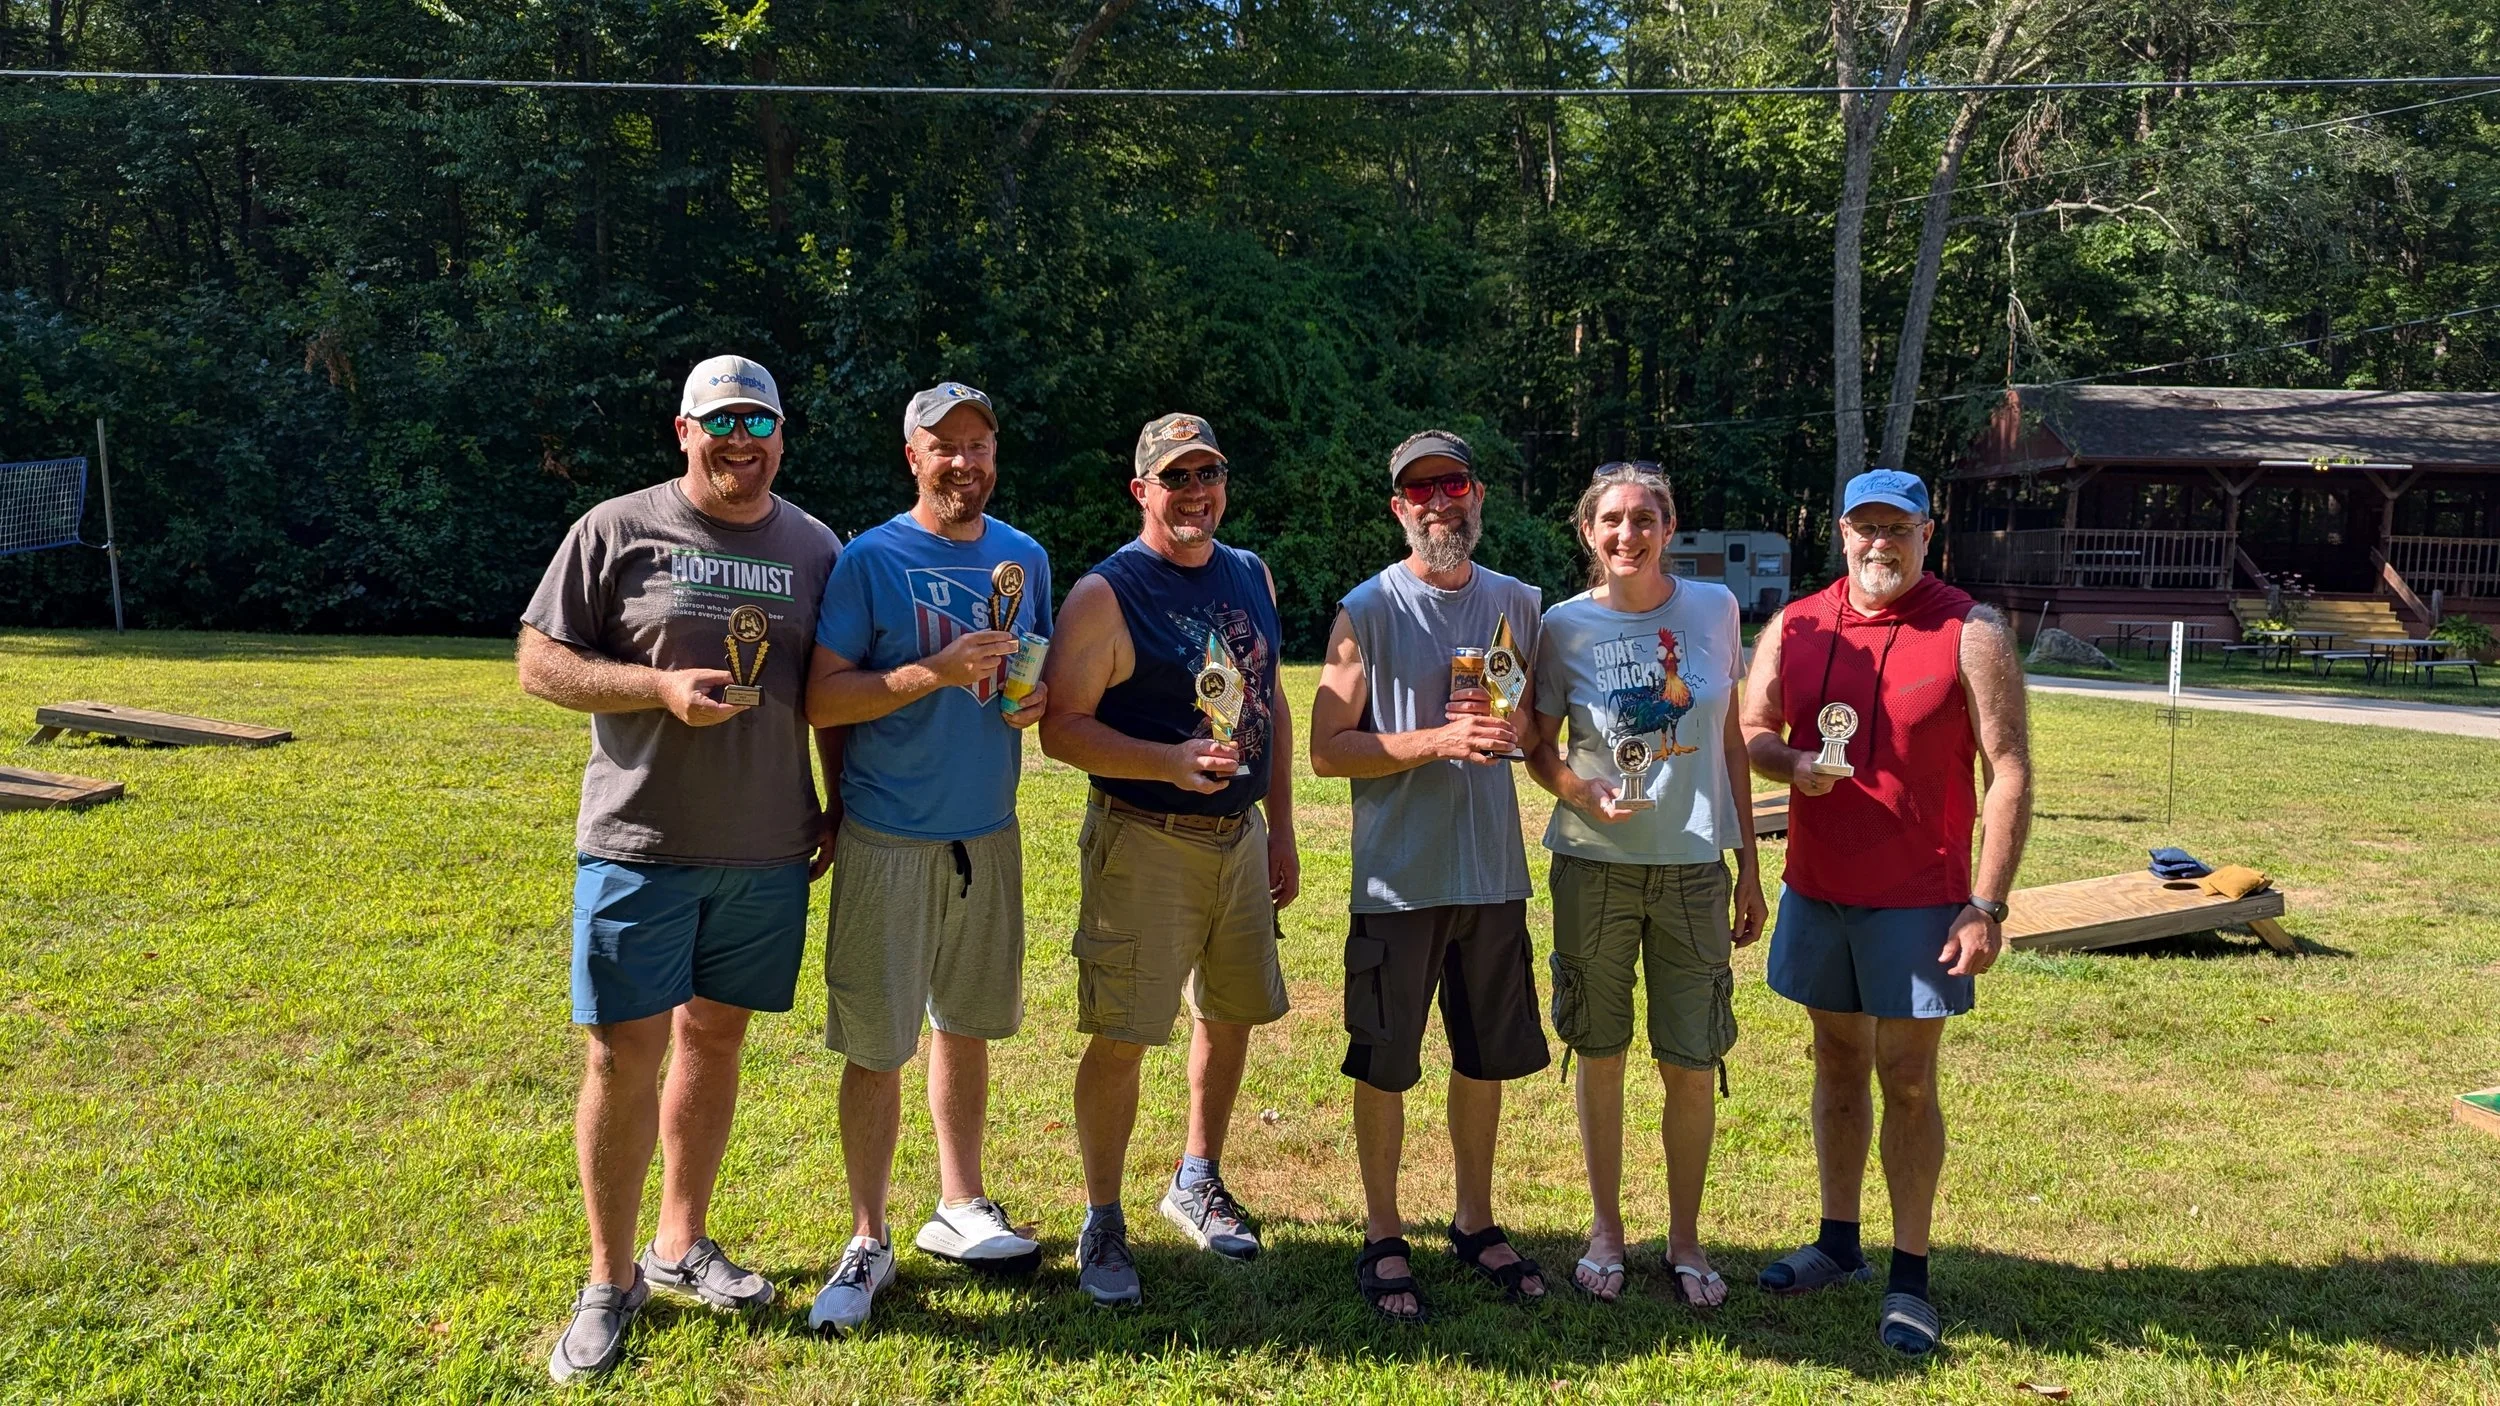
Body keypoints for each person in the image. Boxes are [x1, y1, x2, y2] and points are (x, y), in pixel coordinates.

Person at [517, 355, 842, 1384]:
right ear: (683, 429)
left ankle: (679, 1243)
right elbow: (540, 661)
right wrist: (653, 684)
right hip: (639, 845)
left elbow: (828, 688)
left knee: (717, 1038)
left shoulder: (816, 546)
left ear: (782, 433)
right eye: (721, 420)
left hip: (764, 848)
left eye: (760, 419)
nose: (741, 438)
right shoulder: (617, 528)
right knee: (622, 1056)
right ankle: (608, 1279)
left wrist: (835, 801)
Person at [1738, 467, 2032, 1357]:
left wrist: (1986, 902)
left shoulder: (1970, 629)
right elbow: (1751, 731)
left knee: (1906, 1078)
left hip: (1923, 898)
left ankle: (1911, 1274)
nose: (1880, 544)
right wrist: (1792, 767)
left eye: (1897, 529)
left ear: (1926, 535)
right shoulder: (1798, 623)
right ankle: (1838, 1242)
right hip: (1819, 889)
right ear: (1841, 531)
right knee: (1834, 1060)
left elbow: (2008, 768)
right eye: (1866, 527)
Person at [799, 381, 1054, 1332]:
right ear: (913, 456)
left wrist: (1031, 701)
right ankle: (868, 1238)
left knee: (968, 1026)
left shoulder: (1023, 556)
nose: (965, 461)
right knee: (877, 1047)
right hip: (888, 837)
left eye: (980, 444)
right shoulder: (870, 558)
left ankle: (960, 1204)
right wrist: (933, 673)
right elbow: (824, 700)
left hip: (986, 831)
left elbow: (1034, 674)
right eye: (945, 446)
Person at [1037, 412, 1298, 1307]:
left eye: (1207, 475)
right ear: (1141, 489)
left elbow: (1274, 704)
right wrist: (1164, 762)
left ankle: (1197, 1176)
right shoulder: (1107, 594)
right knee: (1123, 1034)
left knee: (1229, 1015)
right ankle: (1102, 1218)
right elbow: (1062, 731)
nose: (1194, 494)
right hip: (1145, 841)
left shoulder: (1250, 571)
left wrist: (1284, 826)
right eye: (1175, 478)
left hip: (1239, 840)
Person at [1308, 430, 1552, 1323]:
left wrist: (1514, 735)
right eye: (1420, 491)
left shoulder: (1521, 604)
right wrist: (1434, 742)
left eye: (1452, 484)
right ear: (1398, 510)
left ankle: (1474, 1218)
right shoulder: (1365, 609)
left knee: (1483, 1058)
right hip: (1398, 882)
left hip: (1493, 875)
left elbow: (1532, 730)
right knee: (1386, 1062)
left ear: (1477, 495)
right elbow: (1326, 752)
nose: (1438, 502)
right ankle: (1382, 1230)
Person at [1523, 461, 1767, 1310]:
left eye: (1645, 519)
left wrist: (1750, 865)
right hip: (1592, 868)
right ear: (1588, 533)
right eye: (1612, 521)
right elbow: (1537, 745)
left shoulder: (1714, 610)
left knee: (1691, 1058)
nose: (1628, 534)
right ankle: (1604, 1231)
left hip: (1695, 870)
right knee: (1599, 1050)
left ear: (1669, 527)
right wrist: (1575, 790)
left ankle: (1687, 1238)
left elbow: (1731, 739)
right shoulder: (1561, 626)